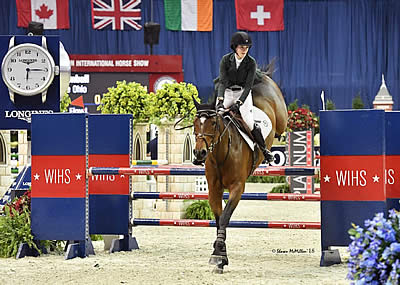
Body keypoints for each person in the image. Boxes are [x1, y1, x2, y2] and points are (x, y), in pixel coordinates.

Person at [216, 31, 274, 163]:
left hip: (243, 93)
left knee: (249, 121)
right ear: (235, 47)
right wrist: (220, 100)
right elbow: (223, 82)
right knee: (216, 117)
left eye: (246, 48)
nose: (244, 50)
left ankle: (264, 150)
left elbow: (248, 86)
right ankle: (207, 152)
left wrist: (240, 102)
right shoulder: (226, 60)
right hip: (228, 92)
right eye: (241, 47)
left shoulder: (251, 62)